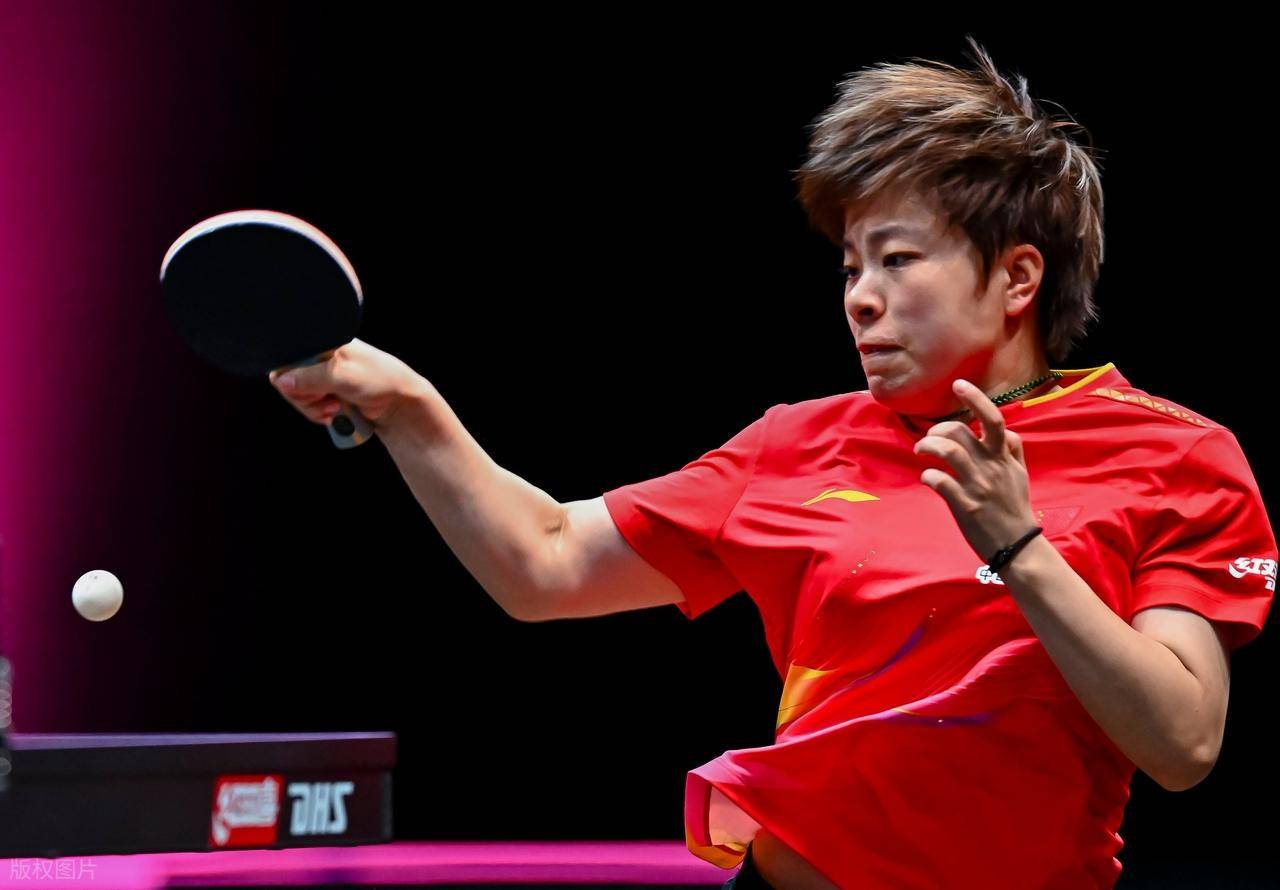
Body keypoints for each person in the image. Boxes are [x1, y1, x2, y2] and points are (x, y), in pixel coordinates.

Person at [268, 38, 1276, 890]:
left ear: (1016, 277)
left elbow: (1182, 744)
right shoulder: (795, 443)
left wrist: (1018, 545)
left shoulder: (1173, 455)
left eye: (897, 259)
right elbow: (544, 562)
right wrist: (406, 406)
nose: (860, 296)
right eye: (850, 265)